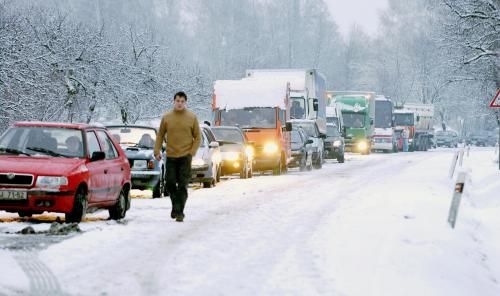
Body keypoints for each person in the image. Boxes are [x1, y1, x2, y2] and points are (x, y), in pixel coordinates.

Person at [154, 91, 201, 222]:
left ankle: (179, 212)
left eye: (182, 101)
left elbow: (198, 137)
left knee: (182, 185)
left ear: (185, 103)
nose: (179, 103)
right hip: (171, 156)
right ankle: (176, 206)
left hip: (185, 156)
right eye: (177, 101)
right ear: (173, 102)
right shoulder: (167, 117)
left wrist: (192, 152)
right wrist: (157, 151)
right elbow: (160, 135)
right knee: (169, 184)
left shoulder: (192, 117)